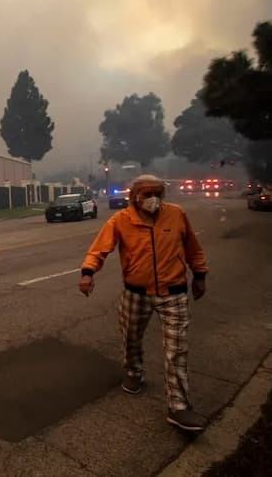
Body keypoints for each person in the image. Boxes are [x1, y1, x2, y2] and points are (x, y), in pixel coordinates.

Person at [79, 174, 209, 431]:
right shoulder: (121, 220)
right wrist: (88, 272)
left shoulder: (177, 214)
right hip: (136, 293)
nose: (152, 199)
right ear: (135, 196)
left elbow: (193, 248)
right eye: (146, 194)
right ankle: (134, 371)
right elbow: (99, 249)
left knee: (177, 350)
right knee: (130, 337)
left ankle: (179, 406)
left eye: (157, 193)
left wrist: (200, 275)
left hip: (174, 293)